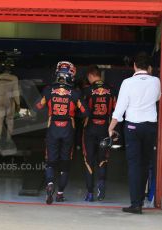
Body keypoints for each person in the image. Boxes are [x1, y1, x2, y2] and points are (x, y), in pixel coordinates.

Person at [108, 52, 160, 214]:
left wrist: (111, 127)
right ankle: (141, 201)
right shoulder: (156, 81)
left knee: (134, 165)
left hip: (132, 127)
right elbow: (158, 97)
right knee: (145, 164)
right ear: (149, 67)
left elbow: (120, 108)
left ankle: (135, 203)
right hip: (150, 127)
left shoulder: (128, 82)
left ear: (135, 66)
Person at [35, 61, 88, 204]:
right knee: (65, 163)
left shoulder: (48, 90)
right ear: (70, 75)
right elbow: (85, 112)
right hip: (68, 130)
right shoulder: (76, 93)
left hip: (52, 128)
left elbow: (38, 106)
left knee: (50, 161)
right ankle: (59, 194)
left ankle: (50, 184)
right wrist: (73, 114)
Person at [82, 65, 116, 202]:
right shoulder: (111, 90)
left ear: (90, 76)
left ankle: (90, 194)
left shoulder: (87, 90)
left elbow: (81, 112)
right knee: (102, 159)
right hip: (105, 129)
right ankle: (101, 186)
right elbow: (117, 110)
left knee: (88, 160)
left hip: (90, 129)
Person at [0, 58, 20, 144]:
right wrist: (18, 104)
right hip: (10, 102)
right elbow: (15, 92)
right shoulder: (14, 78)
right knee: (10, 120)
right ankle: (8, 139)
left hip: (0, 100)